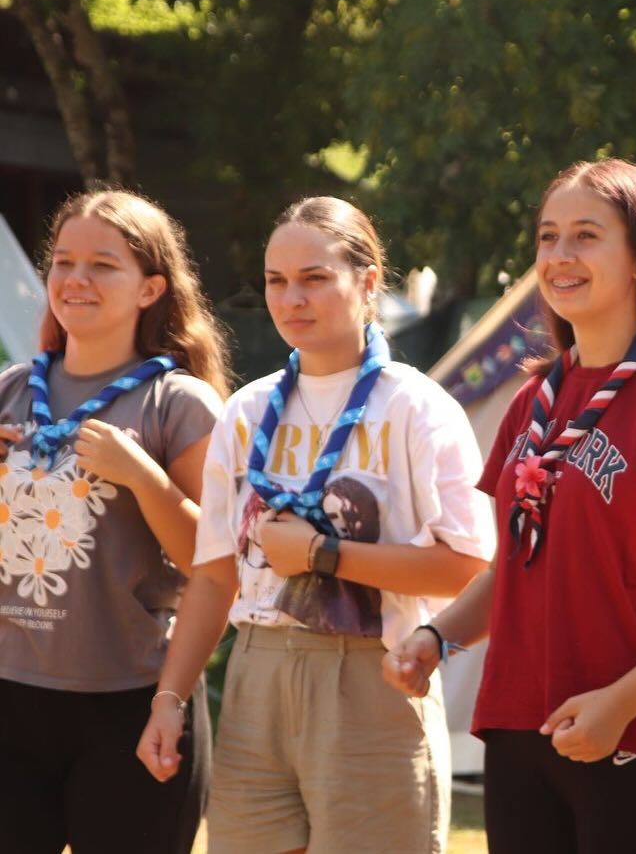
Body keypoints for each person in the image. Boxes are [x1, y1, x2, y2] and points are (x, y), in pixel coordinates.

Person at [384, 158, 636, 854]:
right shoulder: (534, 398)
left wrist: (620, 702)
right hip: (519, 739)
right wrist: (437, 638)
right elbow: (515, 572)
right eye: (548, 237)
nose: (559, 255)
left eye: (586, 235)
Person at [137, 196, 494, 854]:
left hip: (374, 676)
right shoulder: (247, 410)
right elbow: (213, 577)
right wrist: (170, 698)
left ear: (367, 281)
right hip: (256, 678)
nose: (291, 298)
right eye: (276, 280)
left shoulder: (418, 408)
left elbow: (469, 569)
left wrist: (323, 555)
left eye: (314, 278)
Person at [0, 189, 230, 854]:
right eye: (63, 261)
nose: (76, 278)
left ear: (151, 288)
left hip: (133, 702)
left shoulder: (180, 404)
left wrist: (144, 478)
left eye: (103, 265)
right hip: (10, 697)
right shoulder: (11, 389)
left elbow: (218, 566)